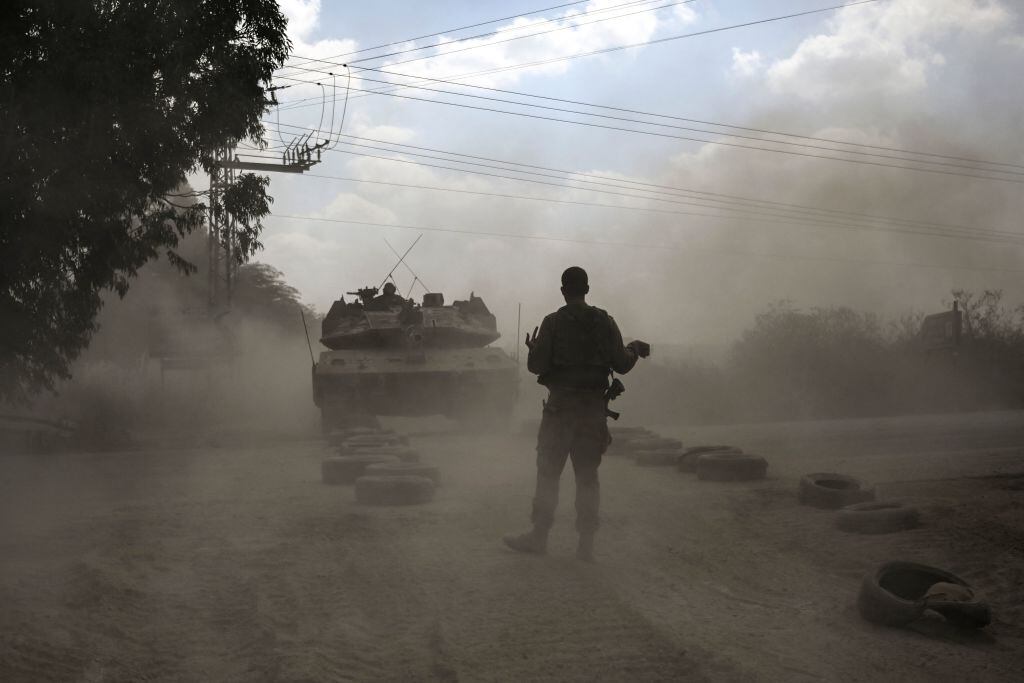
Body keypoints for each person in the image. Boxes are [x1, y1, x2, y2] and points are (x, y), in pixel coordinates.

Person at [503, 266, 650, 561]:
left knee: (548, 474)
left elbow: (536, 367)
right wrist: (633, 349)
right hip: (591, 411)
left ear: (562, 290)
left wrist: (533, 350)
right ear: (587, 288)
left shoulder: (553, 323)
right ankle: (585, 546)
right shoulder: (604, 321)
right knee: (586, 477)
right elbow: (621, 363)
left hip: (559, 411)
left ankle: (539, 537)